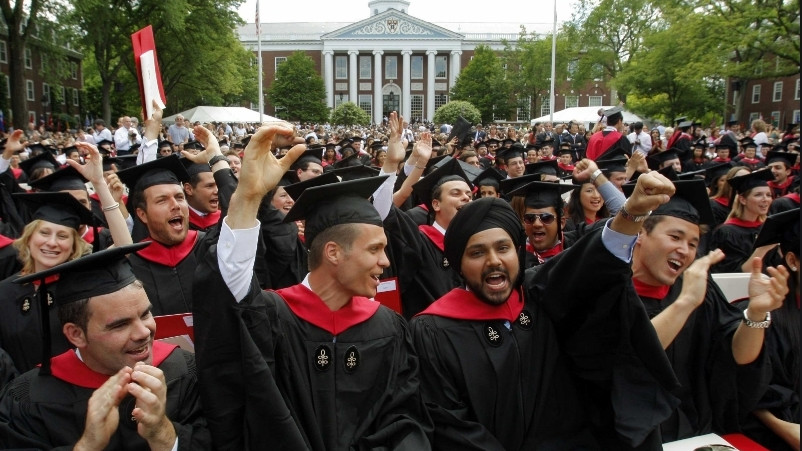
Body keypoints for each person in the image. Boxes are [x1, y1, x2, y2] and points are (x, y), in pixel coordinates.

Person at [191, 124, 431, 449]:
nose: (386, 261)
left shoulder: (388, 327)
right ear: (333, 253)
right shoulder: (273, 317)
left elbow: (405, 421)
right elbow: (227, 290)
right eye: (374, 249)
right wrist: (248, 196)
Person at [411, 173, 684, 450]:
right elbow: (449, 425)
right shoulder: (433, 331)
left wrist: (632, 213)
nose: (494, 261)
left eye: (503, 248)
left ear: (517, 252)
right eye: (477, 253)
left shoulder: (538, 295)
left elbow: (590, 264)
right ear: (459, 264)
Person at [0, 243, 210, 449]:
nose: (144, 332)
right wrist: (88, 445)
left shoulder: (185, 371)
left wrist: (162, 433)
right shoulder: (27, 399)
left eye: (145, 314)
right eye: (120, 325)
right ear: (76, 335)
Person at [626, 178, 788, 442]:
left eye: (693, 243)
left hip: (693, 431)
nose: (684, 250)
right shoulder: (611, 290)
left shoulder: (700, 291)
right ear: (641, 234)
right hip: (626, 437)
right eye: (675, 237)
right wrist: (686, 302)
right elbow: (628, 360)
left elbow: (738, 357)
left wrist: (755, 315)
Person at [736, 208, 800, 451]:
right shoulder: (765, 316)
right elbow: (752, 390)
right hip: (776, 435)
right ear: (792, 261)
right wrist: (788, 429)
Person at [710, 169, 774, 273]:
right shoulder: (727, 233)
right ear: (743, 199)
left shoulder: (767, 227)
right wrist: (763, 248)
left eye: (768, 195)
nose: (765, 199)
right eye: (758, 195)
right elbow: (736, 275)